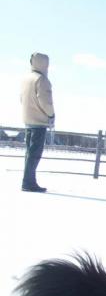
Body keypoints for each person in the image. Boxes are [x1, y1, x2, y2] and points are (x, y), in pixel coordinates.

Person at [20, 52, 55, 192]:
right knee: (35, 154)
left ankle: (28, 181)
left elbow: (21, 99)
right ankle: (28, 183)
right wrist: (51, 115)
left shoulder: (26, 79)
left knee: (29, 153)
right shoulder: (42, 80)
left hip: (27, 120)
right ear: (45, 63)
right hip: (39, 121)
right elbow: (46, 101)